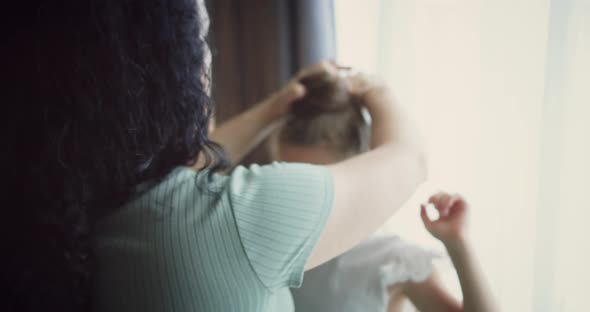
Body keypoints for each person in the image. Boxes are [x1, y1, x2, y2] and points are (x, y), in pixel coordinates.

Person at [5, 1, 426, 311]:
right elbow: (408, 158)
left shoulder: (82, 215)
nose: (209, 56)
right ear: (167, 69)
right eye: (200, 39)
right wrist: (372, 87)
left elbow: (185, 178)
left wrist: (275, 107)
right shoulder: (243, 221)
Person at [270, 72, 498, 312]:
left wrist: (458, 245)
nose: (305, 200)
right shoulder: (276, 245)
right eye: (292, 184)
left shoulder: (392, 260)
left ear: (361, 172)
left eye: (322, 186)